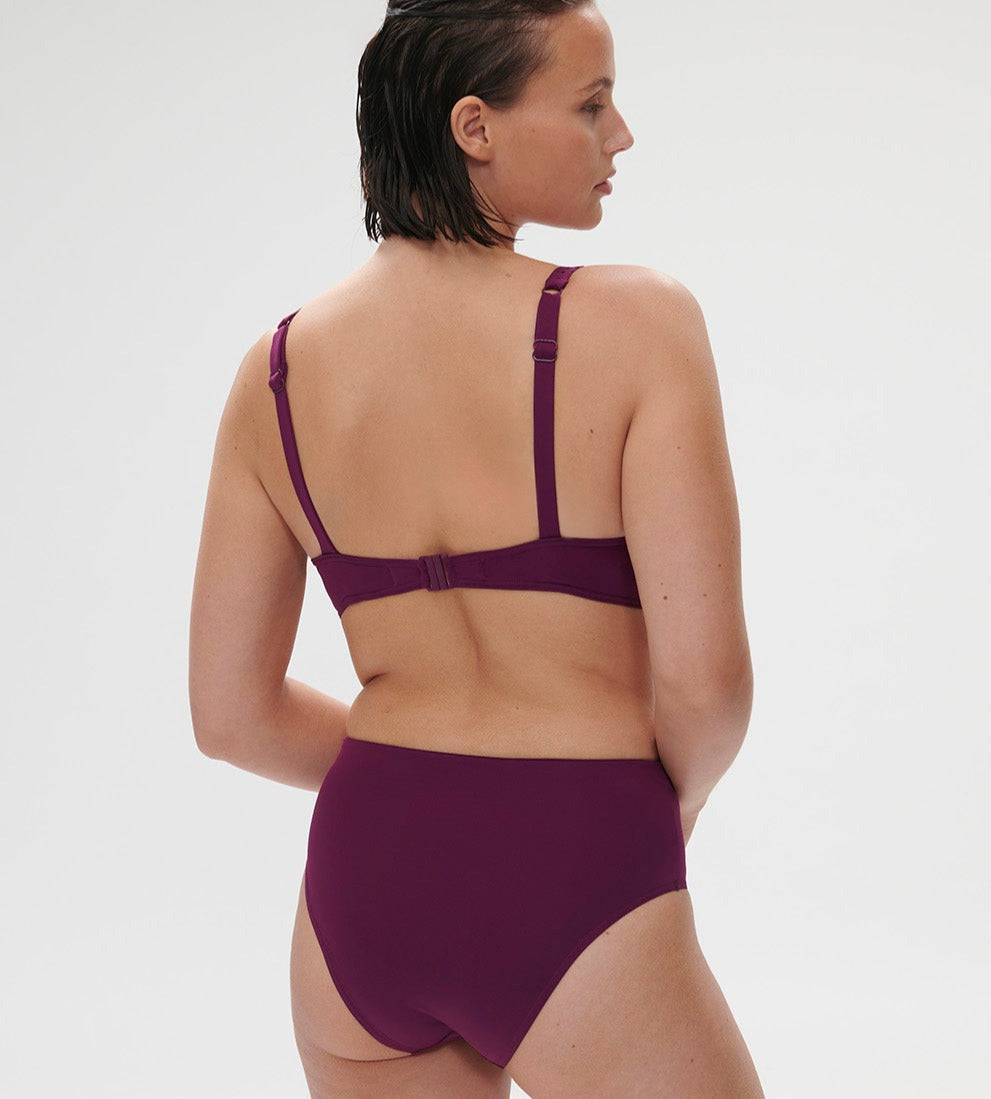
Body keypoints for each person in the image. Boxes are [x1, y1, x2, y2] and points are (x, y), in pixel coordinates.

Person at [189, 1, 763, 1095]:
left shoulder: (273, 375)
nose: (620, 135)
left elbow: (230, 716)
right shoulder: (639, 325)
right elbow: (708, 686)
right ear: (474, 126)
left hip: (360, 888)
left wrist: (423, 786)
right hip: (576, 859)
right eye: (590, 104)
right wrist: (652, 812)